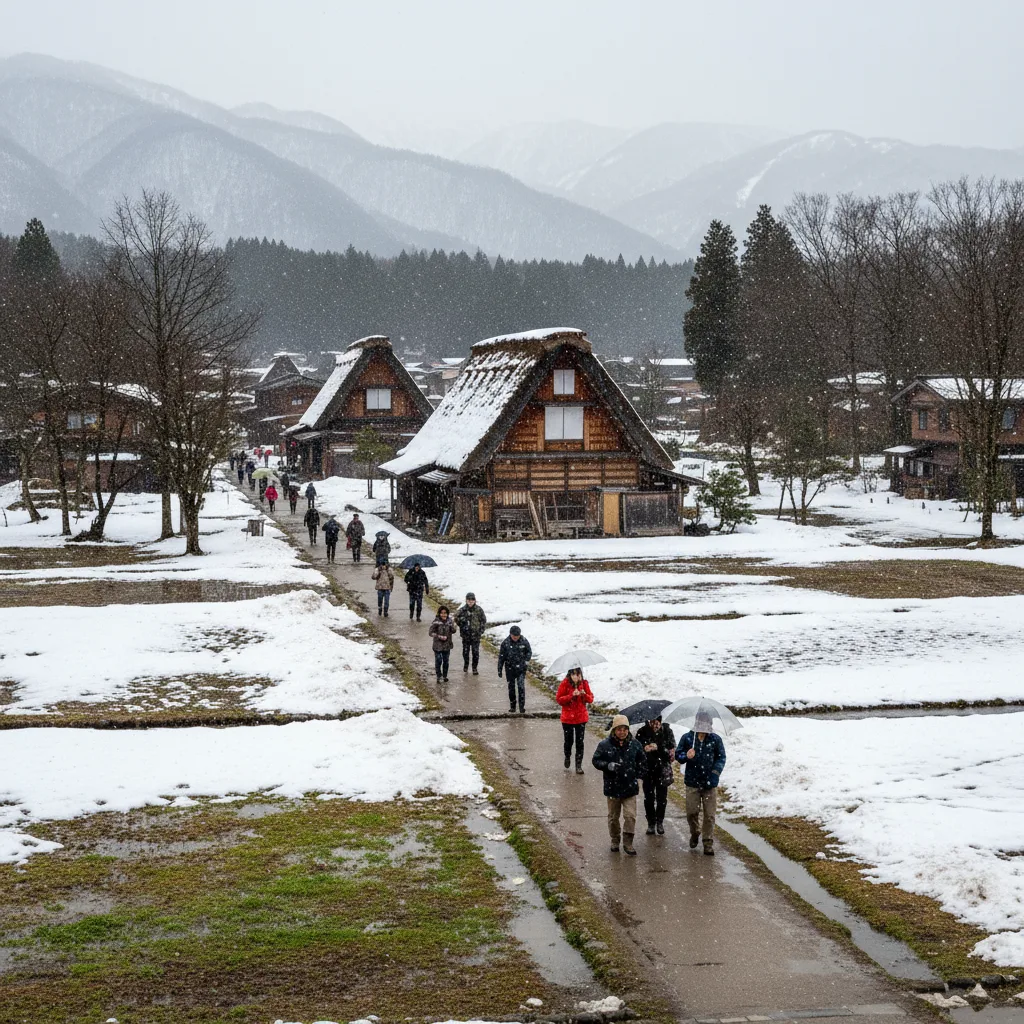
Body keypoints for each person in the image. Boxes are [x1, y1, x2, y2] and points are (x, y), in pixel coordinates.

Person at [592, 715, 646, 856]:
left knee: (630, 816)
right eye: (619, 729)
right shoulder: (605, 745)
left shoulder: (635, 745)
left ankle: (628, 842)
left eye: (625, 729)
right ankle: (615, 839)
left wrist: (638, 774)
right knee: (613, 817)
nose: (622, 732)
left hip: (630, 788)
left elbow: (643, 762)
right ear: (614, 730)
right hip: (612, 788)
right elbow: (596, 760)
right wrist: (608, 766)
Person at [675, 711, 727, 856]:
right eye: (701, 723)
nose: (704, 727)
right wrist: (686, 755)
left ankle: (708, 842)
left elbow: (721, 757)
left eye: (707, 724)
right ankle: (695, 832)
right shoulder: (687, 738)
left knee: (709, 815)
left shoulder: (716, 739)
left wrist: (715, 774)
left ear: (710, 725)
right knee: (692, 813)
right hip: (692, 782)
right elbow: (678, 755)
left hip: (709, 784)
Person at [637, 715, 676, 836]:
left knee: (662, 798)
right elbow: (636, 749)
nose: (655, 724)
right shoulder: (642, 732)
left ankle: (660, 822)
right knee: (648, 798)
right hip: (647, 770)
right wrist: (645, 748)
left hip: (662, 770)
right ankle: (651, 823)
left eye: (657, 722)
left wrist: (659, 748)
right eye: (652, 721)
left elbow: (671, 752)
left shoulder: (667, 731)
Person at [556, 666, 594, 774]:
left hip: (580, 718)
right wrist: (571, 696)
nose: (576, 677)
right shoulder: (565, 683)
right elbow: (559, 699)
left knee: (579, 742)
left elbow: (590, 699)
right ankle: (567, 756)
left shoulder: (584, 684)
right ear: (570, 675)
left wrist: (583, 694)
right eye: (573, 674)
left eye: (578, 674)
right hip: (567, 719)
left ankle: (578, 765)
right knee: (568, 741)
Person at [497, 625, 532, 714]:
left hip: (521, 669)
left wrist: (526, 661)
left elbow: (529, 651)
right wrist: (499, 669)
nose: (516, 638)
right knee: (511, 688)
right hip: (510, 669)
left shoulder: (524, 641)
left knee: (521, 687)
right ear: (510, 634)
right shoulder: (505, 643)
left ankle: (521, 707)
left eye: (517, 636)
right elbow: (501, 657)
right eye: (514, 636)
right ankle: (513, 707)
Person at [454, 592, 487, 674]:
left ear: (475, 600)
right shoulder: (462, 610)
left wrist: (481, 630)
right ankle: (466, 664)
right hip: (466, 635)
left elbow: (483, 620)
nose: (470, 601)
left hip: (476, 636)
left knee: (475, 652)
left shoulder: (479, 610)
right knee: (465, 652)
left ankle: (474, 668)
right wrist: (461, 622)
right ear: (466, 600)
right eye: (469, 600)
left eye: (472, 600)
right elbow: (456, 618)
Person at [428, 605, 456, 681]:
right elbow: (430, 633)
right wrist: (438, 636)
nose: (443, 615)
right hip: (437, 645)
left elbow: (453, 631)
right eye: (442, 613)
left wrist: (453, 624)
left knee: (446, 661)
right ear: (439, 613)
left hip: (447, 645)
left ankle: (445, 676)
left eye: (445, 613)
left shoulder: (450, 621)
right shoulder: (436, 621)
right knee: (438, 660)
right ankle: (438, 675)